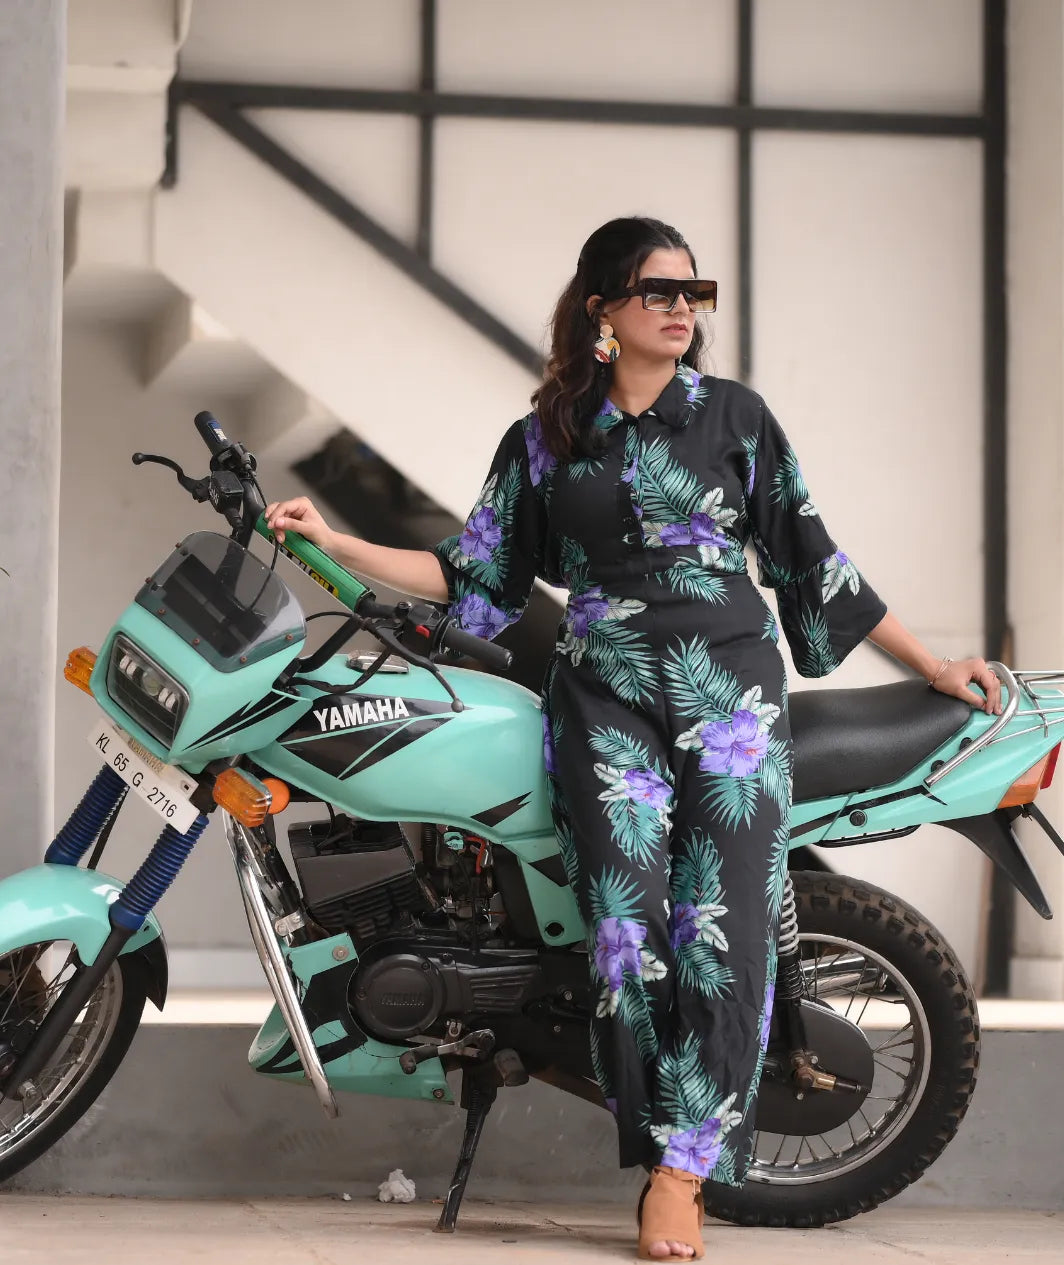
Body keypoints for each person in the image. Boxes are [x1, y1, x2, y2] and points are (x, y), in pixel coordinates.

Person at [266, 216, 1002, 1261]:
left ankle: (681, 1170)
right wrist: (335, 542)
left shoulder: (736, 419)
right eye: (657, 289)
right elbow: (477, 571)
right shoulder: (548, 435)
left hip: (730, 699)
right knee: (622, 926)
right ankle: (659, 1136)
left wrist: (931, 664)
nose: (680, 306)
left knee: (724, 928)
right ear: (602, 308)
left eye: (691, 291)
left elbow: (811, 560)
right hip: (603, 695)